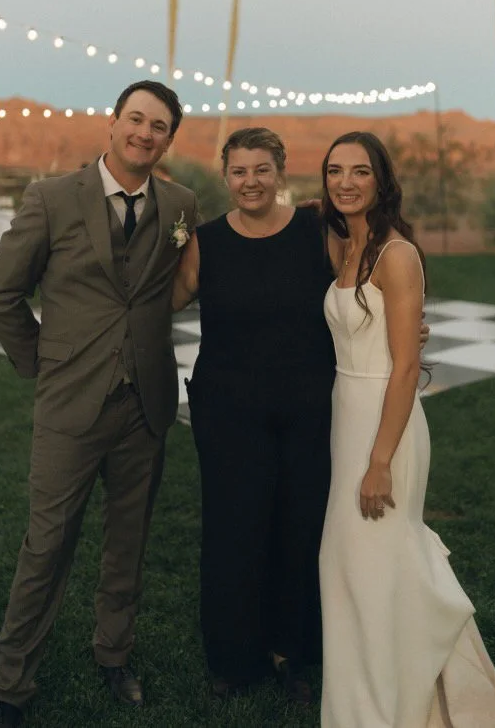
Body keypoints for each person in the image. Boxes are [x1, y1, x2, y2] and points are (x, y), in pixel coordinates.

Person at [0, 80, 199, 727]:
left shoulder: (181, 204)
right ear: (112, 122)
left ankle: (114, 654)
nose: (144, 133)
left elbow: (185, 280)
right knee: (47, 545)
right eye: (136, 119)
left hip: (146, 404)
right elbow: (2, 293)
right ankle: (11, 683)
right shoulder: (52, 198)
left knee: (128, 543)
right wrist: (43, 364)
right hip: (70, 406)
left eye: (158, 126)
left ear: (168, 139)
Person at [319, 131, 495, 727]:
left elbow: (405, 367)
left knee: (379, 564)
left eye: (360, 171)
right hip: (345, 416)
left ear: (382, 180)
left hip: (387, 424)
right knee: (353, 568)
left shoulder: (397, 255)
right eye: (334, 171)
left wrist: (380, 462)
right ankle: (374, 696)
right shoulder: (342, 244)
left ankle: (395, 706)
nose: (346, 182)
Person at [172, 127, 344, 703]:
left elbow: (360, 290)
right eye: (239, 171)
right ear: (225, 177)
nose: (251, 182)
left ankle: (291, 651)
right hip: (228, 412)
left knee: (300, 527)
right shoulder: (205, 242)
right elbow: (162, 299)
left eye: (261, 170)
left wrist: (407, 322)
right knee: (234, 531)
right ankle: (234, 657)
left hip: (307, 407)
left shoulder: (315, 231)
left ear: (280, 172)